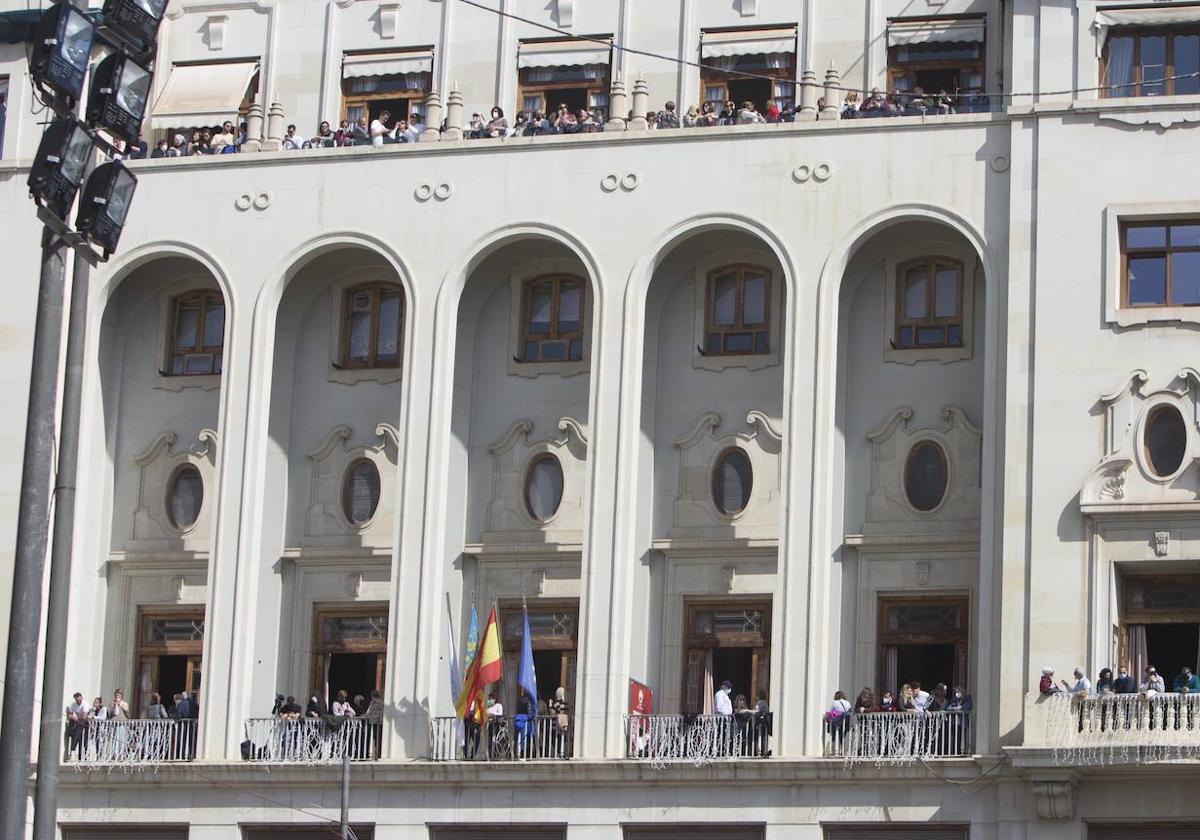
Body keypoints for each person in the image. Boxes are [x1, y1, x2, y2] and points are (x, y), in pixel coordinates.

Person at [547, 686, 570, 758]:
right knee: (563, 740)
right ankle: (564, 753)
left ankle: (557, 754)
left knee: (556, 740)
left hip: (556, 725)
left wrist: (550, 705)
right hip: (565, 724)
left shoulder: (557, 703)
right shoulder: (566, 704)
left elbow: (552, 713)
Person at [65, 692, 88, 759]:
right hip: (75, 722)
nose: (78, 701)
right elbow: (69, 715)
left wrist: (76, 716)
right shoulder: (73, 705)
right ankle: (73, 751)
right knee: (74, 734)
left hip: (83, 723)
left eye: (79, 699)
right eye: (76, 699)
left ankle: (74, 750)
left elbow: (84, 716)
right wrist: (73, 717)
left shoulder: (85, 704)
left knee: (79, 735)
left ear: (81, 698)